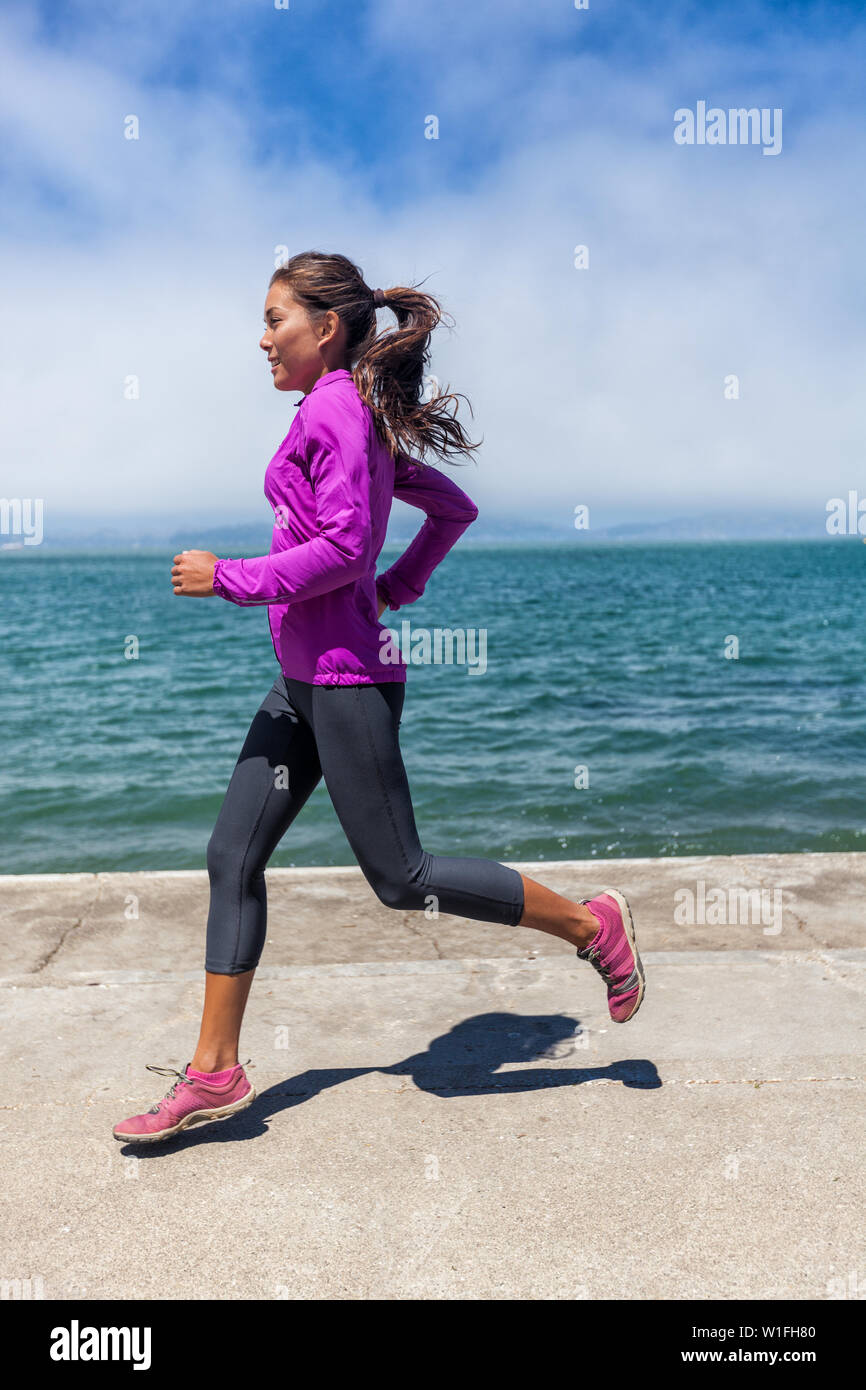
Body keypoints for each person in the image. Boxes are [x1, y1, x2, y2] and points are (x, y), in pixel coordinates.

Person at [113, 251, 644, 1144]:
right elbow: (451, 512)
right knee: (231, 855)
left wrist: (234, 578)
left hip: (347, 682)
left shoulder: (336, 408)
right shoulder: (355, 414)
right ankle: (214, 1071)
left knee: (404, 879)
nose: (262, 337)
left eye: (276, 319)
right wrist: (398, 586)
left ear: (325, 328)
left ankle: (591, 924)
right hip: (301, 682)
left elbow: (341, 545)